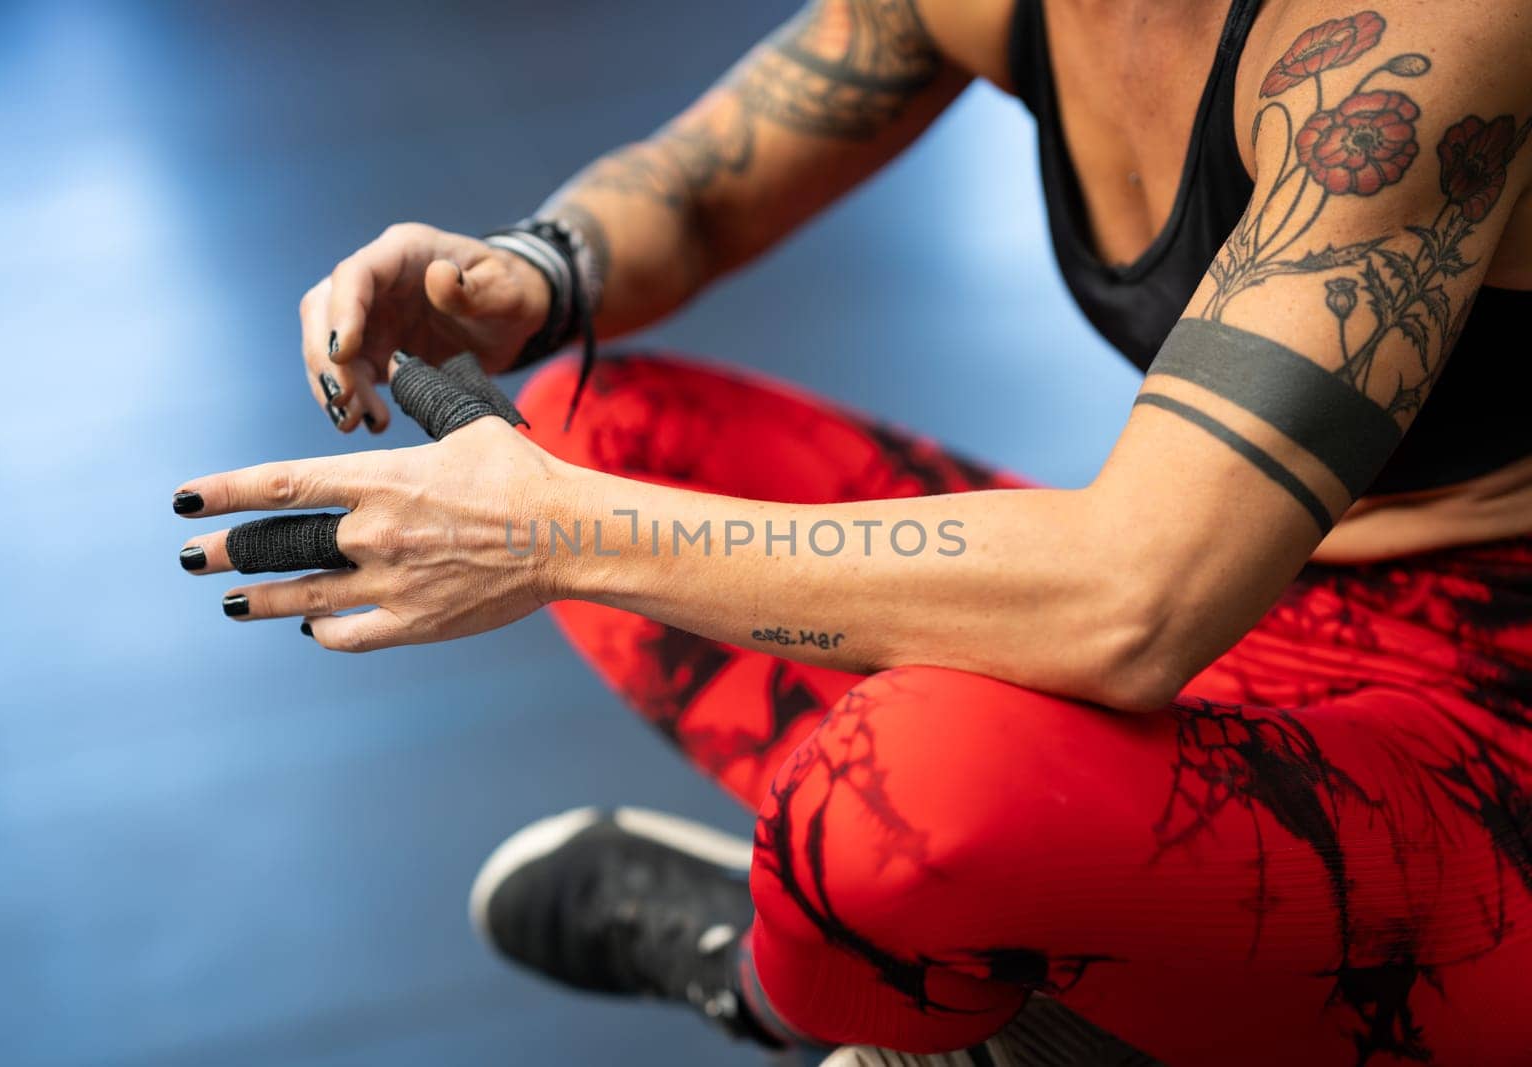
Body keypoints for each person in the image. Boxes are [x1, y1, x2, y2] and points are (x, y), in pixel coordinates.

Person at [173, 0, 1532, 1062]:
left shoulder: (1417, 46)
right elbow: (706, 189)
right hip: (1249, 601)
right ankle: (985, 985)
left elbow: (1136, 603)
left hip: (1489, 732)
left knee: (901, 796)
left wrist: (550, 537)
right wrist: (531, 270)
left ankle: (790, 990)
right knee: (601, 434)